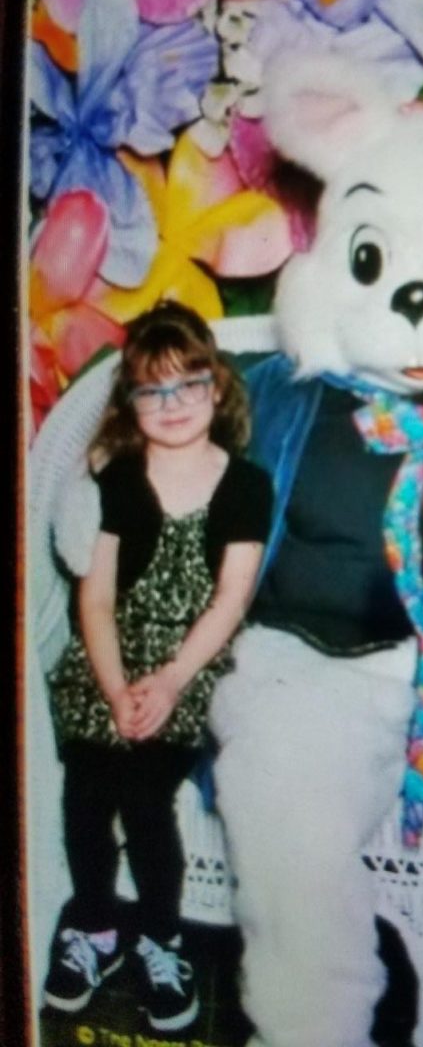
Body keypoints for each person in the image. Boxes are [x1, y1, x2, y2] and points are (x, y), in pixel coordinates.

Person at [43, 301, 273, 1033]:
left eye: (189, 385)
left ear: (217, 388)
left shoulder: (244, 485)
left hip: (193, 658)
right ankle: (95, 923)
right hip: (110, 656)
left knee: (145, 800)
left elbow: (231, 600)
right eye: (153, 389)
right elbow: (97, 600)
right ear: (131, 400)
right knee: (86, 792)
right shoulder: (118, 482)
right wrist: (113, 690)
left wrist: (169, 682)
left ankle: (160, 934)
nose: (172, 405)